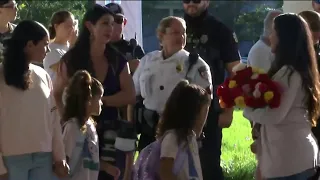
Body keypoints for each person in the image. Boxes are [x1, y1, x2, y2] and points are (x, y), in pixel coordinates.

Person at [53, 4, 135, 180]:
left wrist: (99, 101)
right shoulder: (71, 59)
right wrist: (67, 119)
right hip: (77, 129)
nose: (110, 28)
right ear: (90, 26)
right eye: (105, 23)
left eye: (113, 24)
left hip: (110, 133)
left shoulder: (117, 59)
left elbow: (130, 95)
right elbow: (57, 93)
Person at [243, 13, 320, 179]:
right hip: (294, 158)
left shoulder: (289, 73)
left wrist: (246, 109)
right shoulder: (295, 70)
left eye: (273, 32)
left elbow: (274, 115)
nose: (270, 36)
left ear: (284, 37)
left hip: (290, 161)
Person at [0, 20, 68, 180]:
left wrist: (60, 157)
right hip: (10, 161)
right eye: (45, 44)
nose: (48, 49)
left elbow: (53, 119)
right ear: (29, 45)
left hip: (44, 158)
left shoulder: (43, 75)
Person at [133, 16, 212, 152]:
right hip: (148, 132)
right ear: (161, 35)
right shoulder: (148, 60)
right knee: (145, 171)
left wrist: (195, 135)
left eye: (183, 33)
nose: (181, 37)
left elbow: (205, 103)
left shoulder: (195, 64)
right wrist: (131, 127)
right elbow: (133, 95)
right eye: (175, 33)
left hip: (179, 133)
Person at [183, 0, 240, 179]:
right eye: (186, 0)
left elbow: (234, 73)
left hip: (210, 108)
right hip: (179, 107)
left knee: (209, 165)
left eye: (197, 0)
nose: (191, 3)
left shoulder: (221, 31)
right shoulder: (174, 26)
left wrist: (228, 110)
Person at [157, 80, 210, 180]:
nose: (205, 120)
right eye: (205, 112)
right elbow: (165, 172)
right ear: (193, 113)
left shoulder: (190, 138)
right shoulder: (172, 138)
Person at [62, 70, 103, 180]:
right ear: (88, 99)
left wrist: (108, 168)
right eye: (99, 98)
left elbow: (89, 157)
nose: (101, 103)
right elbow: (66, 160)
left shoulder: (91, 126)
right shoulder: (72, 127)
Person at [105, 2, 145, 74]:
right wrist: (127, 67)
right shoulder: (97, 48)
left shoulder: (134, 48)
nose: (114, 24)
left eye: (118, 20)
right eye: (109, 20)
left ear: (125, 22)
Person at [44, 10, 78, 81]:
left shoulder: (71, 46)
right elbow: (63, 70)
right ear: (56, 26)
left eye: (73, 26)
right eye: (68, 26)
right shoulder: (49, 48)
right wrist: (72, 45)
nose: (72, 29)